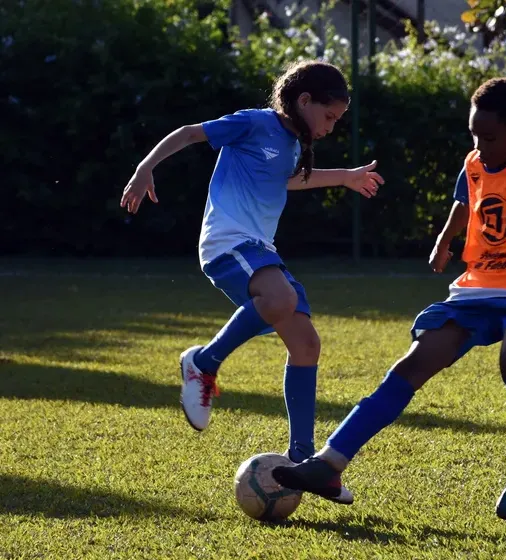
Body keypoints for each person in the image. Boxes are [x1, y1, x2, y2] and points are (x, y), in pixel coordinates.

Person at [272, 77, 506, 520]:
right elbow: (466, 200)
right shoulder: (475, 161)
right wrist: (445, 239)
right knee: (413, 363)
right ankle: (329, 464)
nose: (481, 145)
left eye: (491, 137)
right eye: (474, 135)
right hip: (476, 286)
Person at [120, 61, 384, 504]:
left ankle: (304, 460)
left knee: (306, 345)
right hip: (227, 243)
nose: (332, 127)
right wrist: (146, 167)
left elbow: (289, 180)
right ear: (305, 101)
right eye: (330, 117)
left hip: (259, 248)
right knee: (279, 298)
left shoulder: (296, 142)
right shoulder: (252, 123)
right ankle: (203, 362)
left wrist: (346, 176)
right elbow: (188, 133)